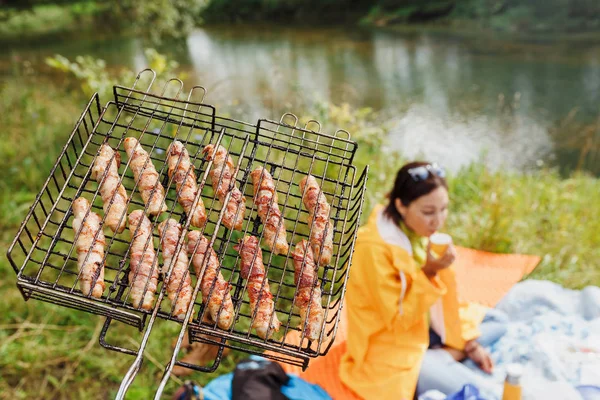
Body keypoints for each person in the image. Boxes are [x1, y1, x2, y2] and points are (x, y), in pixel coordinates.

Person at [339, 161, 507, 400]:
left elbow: (446, 300)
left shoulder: (418, 232)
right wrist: (428, 273)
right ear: (401, 205)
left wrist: (470, 343)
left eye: (444, 209)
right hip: (390, 344)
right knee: (478, 392)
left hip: (424, 326)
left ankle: (449, 353)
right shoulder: (371, 249)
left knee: (497, 321)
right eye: (428, 212)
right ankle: (438, 359)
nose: (437, 221)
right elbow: (397, 320)